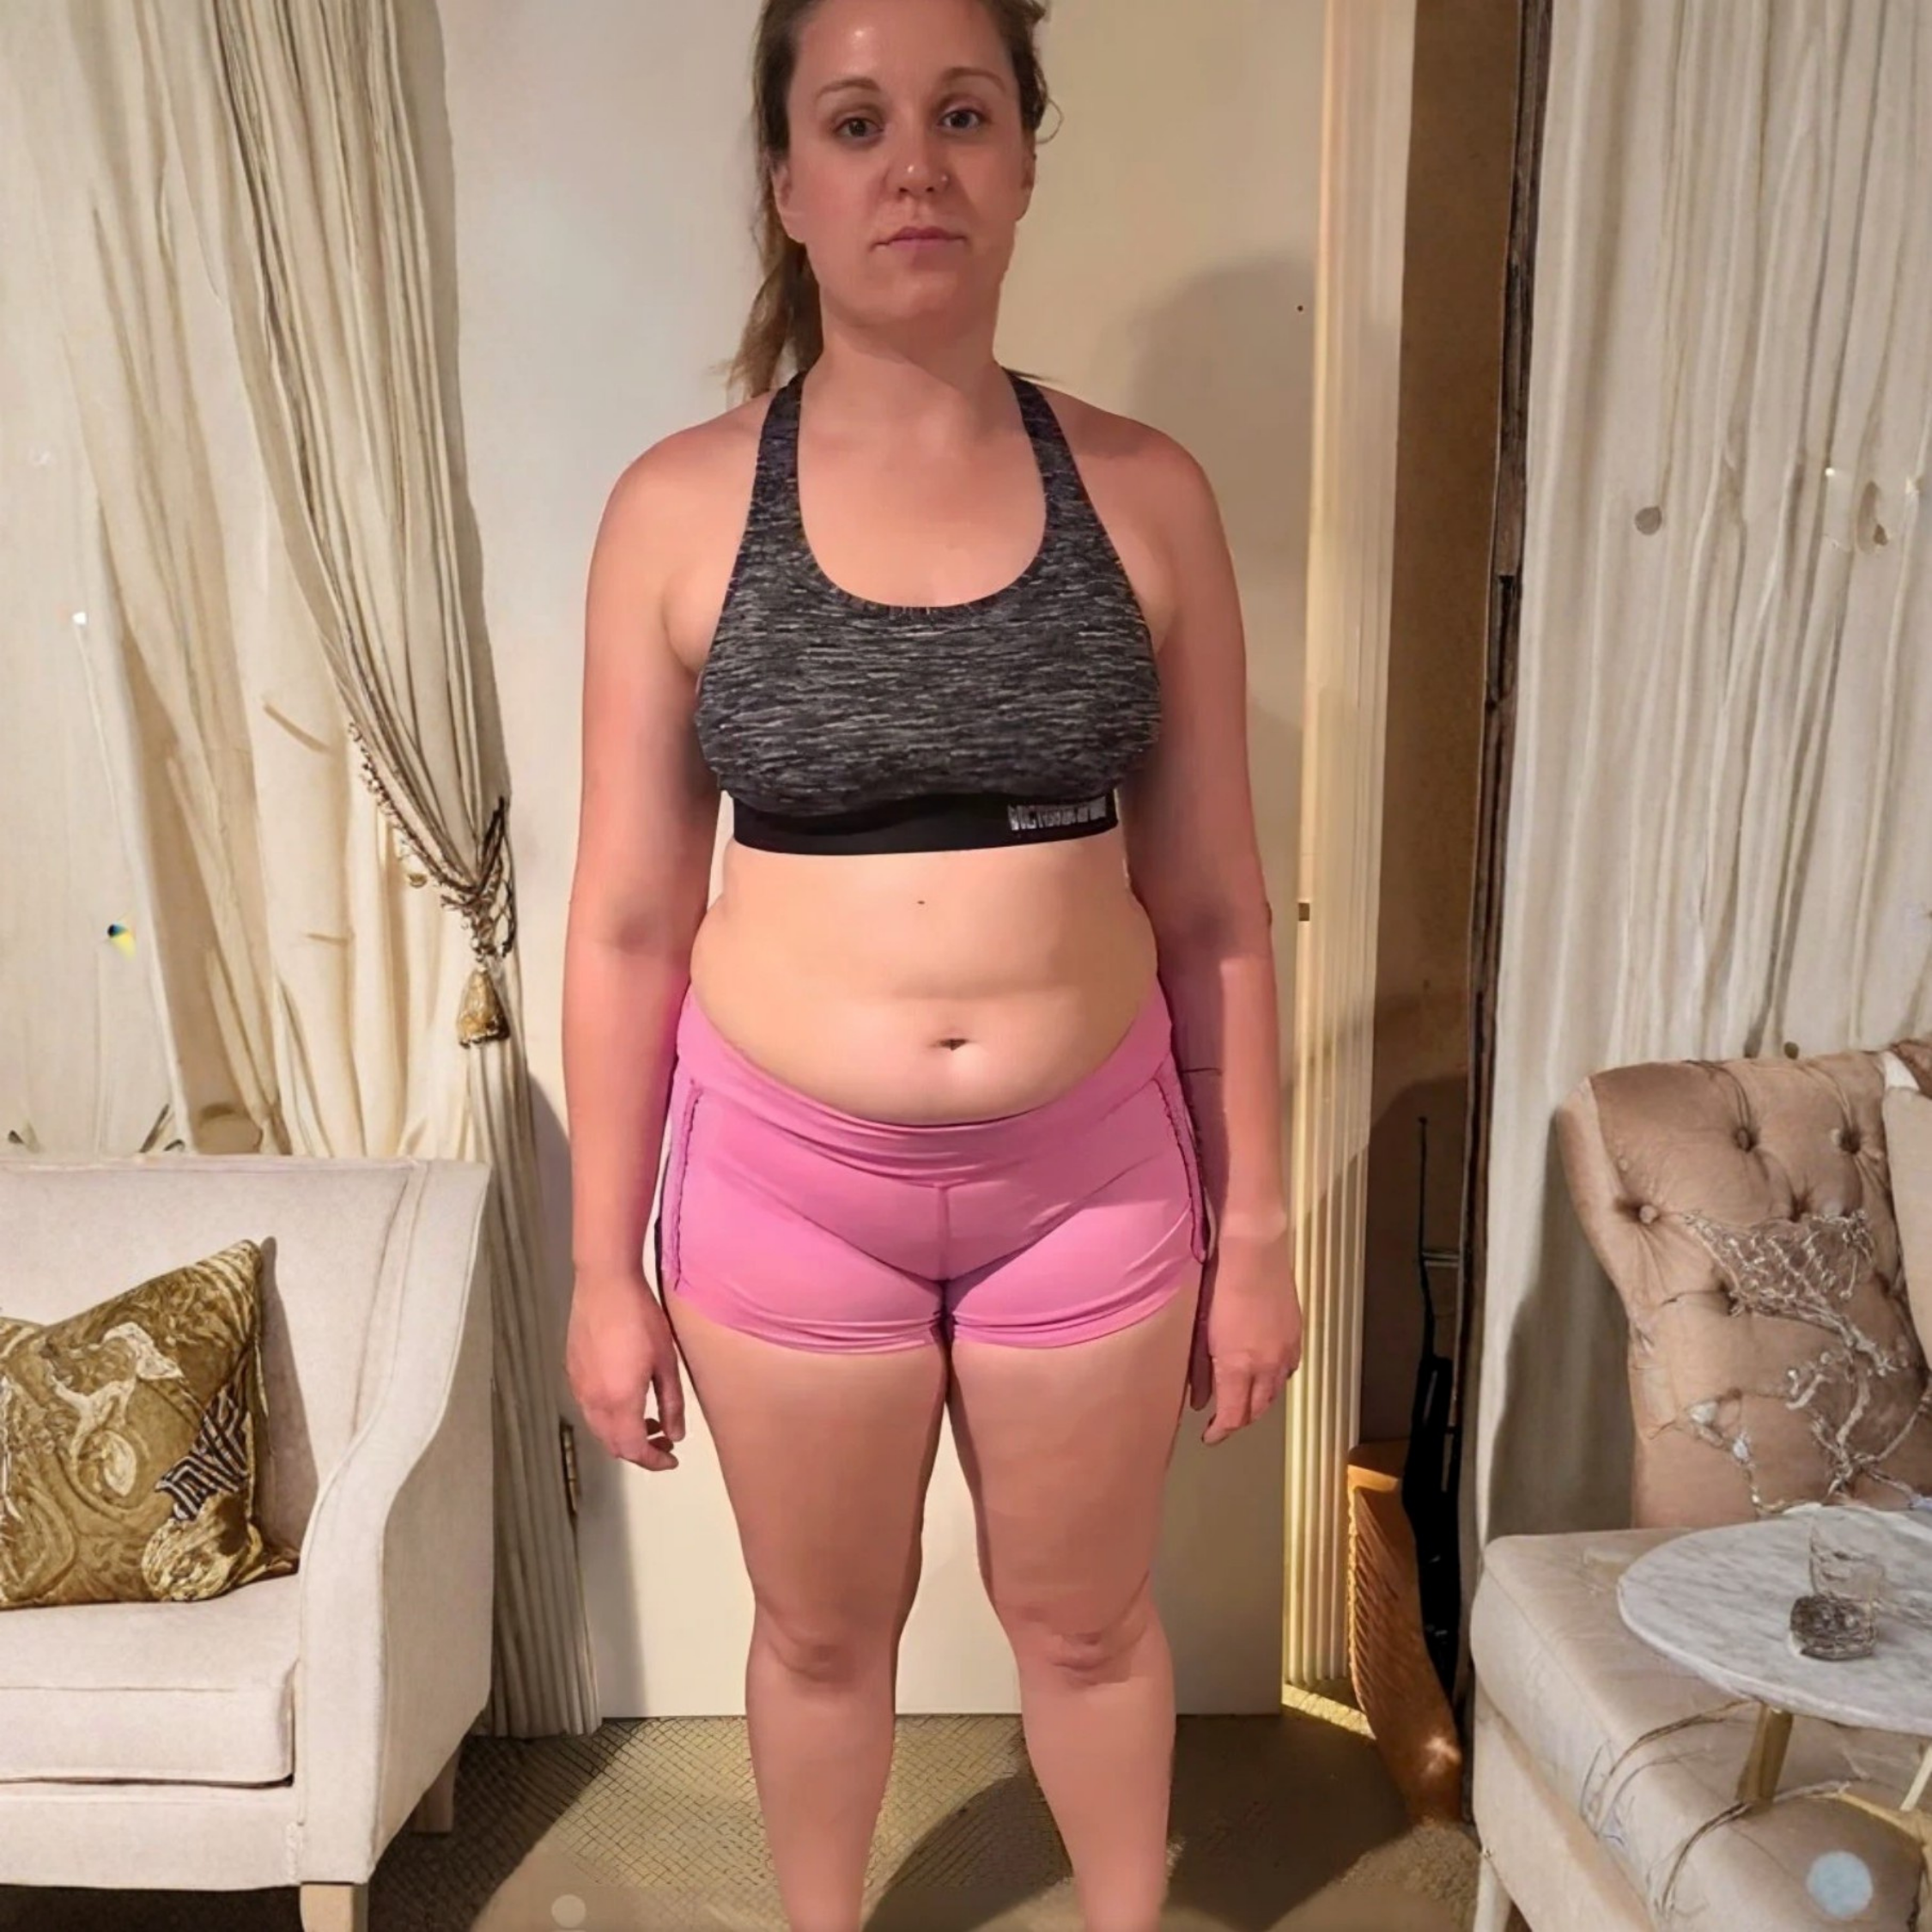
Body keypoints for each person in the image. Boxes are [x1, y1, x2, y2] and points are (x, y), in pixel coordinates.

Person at [562, 0, 1303, 1926]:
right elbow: (629, 924)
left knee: (1088, 1622)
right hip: (785, 1186)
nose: (915, 164)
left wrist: (1255, 1234)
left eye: (963, 114)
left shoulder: (1146, 495)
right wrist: (600, 1269)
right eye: (857, 121)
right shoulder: (676, 508)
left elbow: (1218, 910)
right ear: (786, 183)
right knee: (821, 1638)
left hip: (1093, 1178)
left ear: (1025, 156)